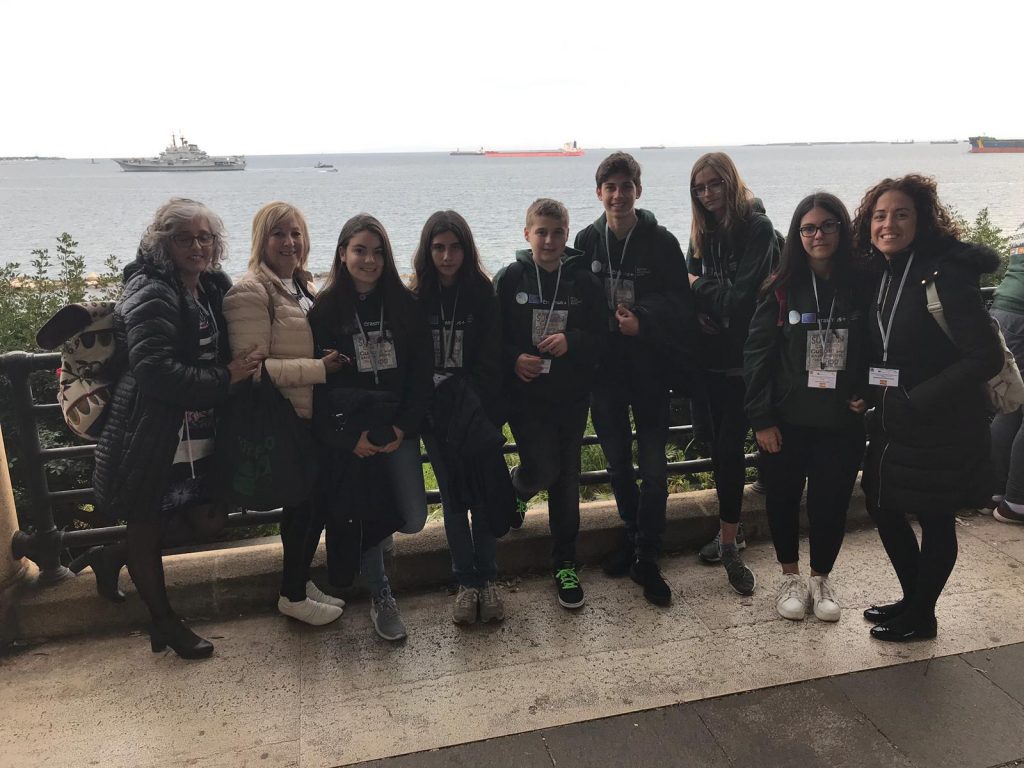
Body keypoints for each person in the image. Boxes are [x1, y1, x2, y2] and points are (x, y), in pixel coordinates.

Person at [90, 198, 260, 658]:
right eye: (185, 238)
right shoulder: (151, 290)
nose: (197, 247)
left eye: (205, 237)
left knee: (209, 520)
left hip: (200, 428)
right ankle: (164, 623)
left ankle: (112, 556)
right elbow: (154, 372)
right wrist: (226, 377)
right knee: (146, 525)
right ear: (163, 243)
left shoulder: (211, 285)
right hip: (152, 431)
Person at [855, 174, 1003, 642]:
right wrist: (868, 391)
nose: (888, 224)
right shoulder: (882, 272)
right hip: (892, 419)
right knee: (881, 504)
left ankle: (922, 615)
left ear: (922, 219)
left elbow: (985, 357)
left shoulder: (944, 274)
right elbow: (885, 347)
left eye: (901, 214)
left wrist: (917, 400)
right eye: (880, 216)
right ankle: (913, 599)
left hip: (942, 422)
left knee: (935, 517)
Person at [573, 151, 696, 606]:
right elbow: (574, 303)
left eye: (626, 186)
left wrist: (642, 318)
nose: (618, 195)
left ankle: (649, 554)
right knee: (618, 465)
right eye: (611, 187)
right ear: (599, 192)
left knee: (655, 470)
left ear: (638, 191)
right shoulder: (586, 241)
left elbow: (680, 303)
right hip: (604, 373)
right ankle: (632, 537)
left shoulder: (661, 242)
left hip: (649, 371)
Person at [744, 193, 870, 622]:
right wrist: (761, 419)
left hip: (841, 420)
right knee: (782, 498)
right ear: (797, 234)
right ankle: (789, 577)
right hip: (787, 420)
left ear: (842, 229)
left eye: (828, 225)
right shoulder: (781, 288)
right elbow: (756, 356)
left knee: (831, 501)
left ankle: (820, 579)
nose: (819, 235)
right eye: (809, 228)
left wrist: (867, 392)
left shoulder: (860, 285)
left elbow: (876, 347)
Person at [307, 214, 432, 641]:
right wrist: (347, 440)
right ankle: (381, 594)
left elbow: (421, 374)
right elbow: (319, 387)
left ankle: (379, 538)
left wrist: (403, 428)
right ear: (342, 253)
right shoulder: (325, 311)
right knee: (371, 518)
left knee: (413, 519)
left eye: (378, 252)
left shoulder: (405, 305)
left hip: (396, 428)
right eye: (360, 250)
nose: (370, 260)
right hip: (356, 436)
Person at [223, 202, 346, 626]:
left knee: (311, 506)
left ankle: (299, 581)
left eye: (295, 233)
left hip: (308, 416)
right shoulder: (251, 292)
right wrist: (320, 369)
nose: (289, 242)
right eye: (278, 234)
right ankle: (292, 595)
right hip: (283, 419)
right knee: (301, 506)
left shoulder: (300, 285)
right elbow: (252, 370)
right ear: (262, 240)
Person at [494, 198, 606, 609]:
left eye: (557, 232)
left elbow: (602, 337)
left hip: (571, 398)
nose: (549, 240)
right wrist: (513, 359)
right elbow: (491, 337)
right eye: (541, 232)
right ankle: (518, 485)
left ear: (567, 235)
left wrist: (571, 341)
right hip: (526, 398)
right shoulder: (510, 279)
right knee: (544, 468)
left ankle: (565, 563)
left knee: (567, 479)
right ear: (527, 234)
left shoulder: (584, 283)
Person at [686, 152, 779, 595]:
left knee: (729, 448)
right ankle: (734, 527)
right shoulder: (700, 232)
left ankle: (728, 544)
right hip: (709, 362)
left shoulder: (757, 229)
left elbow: (741, 302)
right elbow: (690, 293)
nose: (707, 194)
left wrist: (699, 288)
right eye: (699, 188)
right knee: (713, 445)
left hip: (748, 360)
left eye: (714, 184)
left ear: (730, 181)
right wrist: (699, 305)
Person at [411, 210, 509, 624]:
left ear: (467, 250)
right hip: (437, 420)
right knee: (453, 499)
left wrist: (470, 403)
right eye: (439, 248)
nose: (447, 256)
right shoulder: (417, 298)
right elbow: (413, 362)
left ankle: (488, 580)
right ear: (427, 251)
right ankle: (465, 583)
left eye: (455, 247)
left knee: (482, 498)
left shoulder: (483, 293)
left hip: (475, 414)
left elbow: (492, 357)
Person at [989, 221, 1024, 524]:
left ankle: (995, 491)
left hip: (1005, 308)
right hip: (1022, 313)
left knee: (1012, 403)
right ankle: (1017, 501)